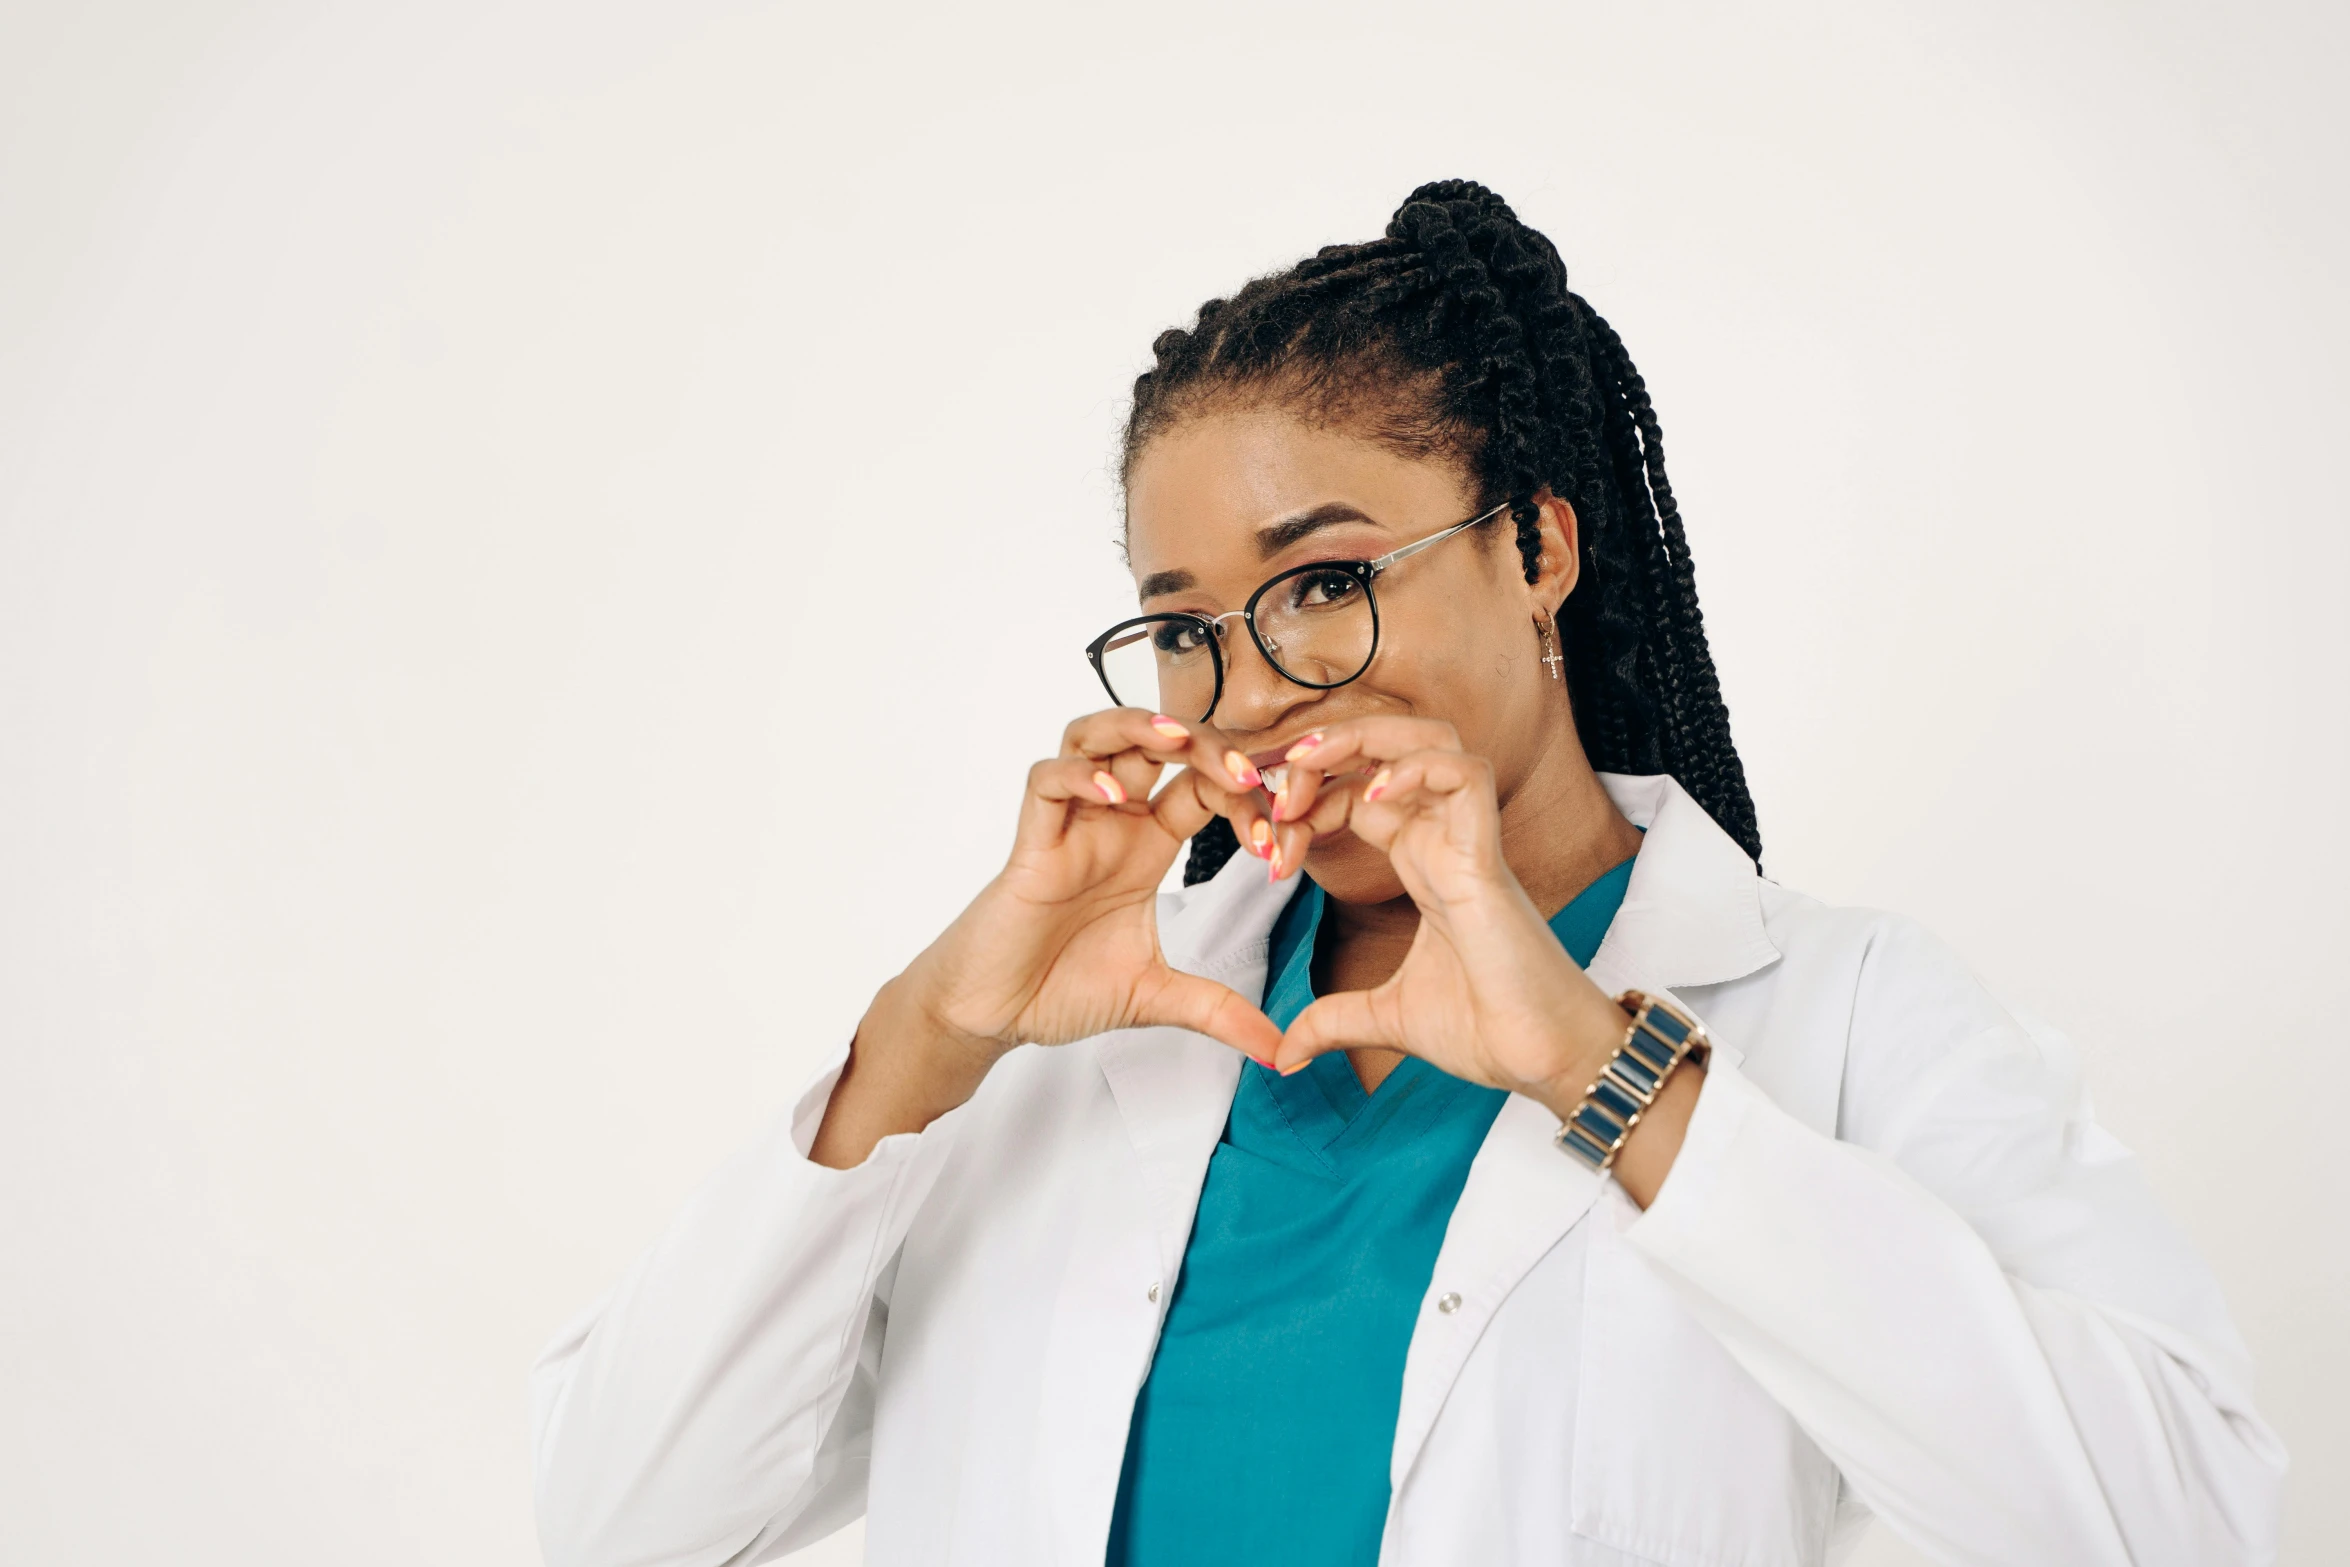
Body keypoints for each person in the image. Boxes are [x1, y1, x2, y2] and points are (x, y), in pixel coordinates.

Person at [529, 181, 2283, 1567]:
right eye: (1184, 628)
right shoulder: (1061, 1053)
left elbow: (2185, 1525)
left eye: (1323, 578)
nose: (1256, 683)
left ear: (1534, 546)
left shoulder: (1839, 1018)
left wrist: (1602, 1071)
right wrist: (928, 1032)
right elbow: (622, 1521)